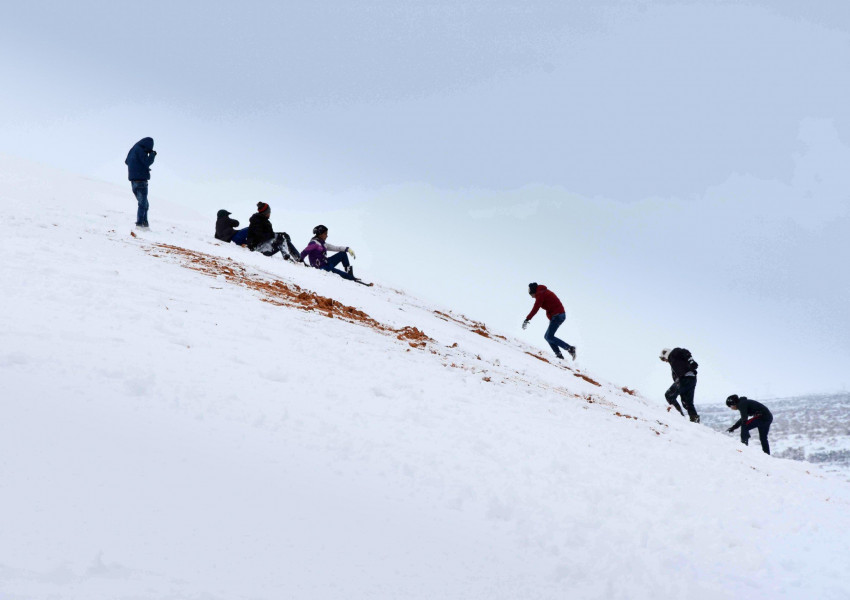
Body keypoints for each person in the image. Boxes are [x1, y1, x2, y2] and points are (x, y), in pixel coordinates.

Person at [522, 283, 576, 360]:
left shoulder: (540, 294)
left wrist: (527, 319)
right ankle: (559, 355)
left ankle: (569, 348)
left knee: (549, 336)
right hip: (558, 315)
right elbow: (550, 305)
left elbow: (535, 308)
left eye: (531, 294)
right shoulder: (543, 292)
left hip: (558, 315)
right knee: (547, 336)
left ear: (533, 291)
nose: (531, 297)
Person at [659, 348, 700, 423]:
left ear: (666, 354)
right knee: (687, 403)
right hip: (692, 379)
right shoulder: (674, 361)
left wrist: (691, 361)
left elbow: (685, 351)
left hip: (684, 378)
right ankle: (695, 421)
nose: (665, 361)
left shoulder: (674, 353)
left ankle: (679, 417)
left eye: (664, 359)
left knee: (669, 395)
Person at [125, 137, 156, 228]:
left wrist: (140, 168)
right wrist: (153, 154)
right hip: (141, 181)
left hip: (133, 181)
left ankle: (145, 224)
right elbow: (147, 162)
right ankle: (140, 224)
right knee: (143, 204)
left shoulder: (133, 149)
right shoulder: (141, 150)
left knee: (144, 203)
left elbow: (127, 162)